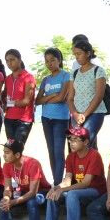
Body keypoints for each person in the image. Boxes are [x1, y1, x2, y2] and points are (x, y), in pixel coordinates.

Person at [42, 125, 106, 220]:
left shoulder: (94, 155)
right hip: (79, 191)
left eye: (76, 140)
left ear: (86, 142)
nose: (71, 143)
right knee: (52, 196)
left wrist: (63, 190)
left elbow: (86, 183)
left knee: (72, 194)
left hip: (96, 191)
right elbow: (67, 180)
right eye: (70, 139)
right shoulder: (71, 156)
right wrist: (56, 188)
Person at [0, 139, 50, 220]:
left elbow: (33, 192)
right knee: (4, 202)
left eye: (7, 153)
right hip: (23, 191)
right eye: (4, 152)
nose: (4, 155)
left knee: (31, 202)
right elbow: (7, 188)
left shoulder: (33, 164)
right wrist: (7, 198)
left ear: (17, 155)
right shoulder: (7, 165)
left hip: (41, 192)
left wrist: (13, 202)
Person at [36, 47, 74, 185]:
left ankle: (58, 183)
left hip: (61, 119)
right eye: (47, 61)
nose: (49, 63)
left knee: (59, 151)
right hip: (46, 118)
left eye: (52, 60)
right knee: (51, 151)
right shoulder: (45, 79)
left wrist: (47, 98)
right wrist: (52, 96)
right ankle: (55, 181)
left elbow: (62, 97)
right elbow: (37, 101)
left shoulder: (66, 76)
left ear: (59, 60)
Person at [68, 37, 109, 149]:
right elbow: (70, 98)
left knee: (84, 143)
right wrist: (75, 114)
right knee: (77, 146)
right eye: (75, 54)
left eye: (79, 53)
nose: (77, 57)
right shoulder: (74, 73)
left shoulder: (98, 71)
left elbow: (99, 96)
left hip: (95, 113)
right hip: (76, 115)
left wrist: (84, 115)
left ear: (88, 53)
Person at [1, 49, 36, 146]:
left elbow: (26, 101)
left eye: (12, 59)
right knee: (10, 148)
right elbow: (4, 96)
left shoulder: (28, 77)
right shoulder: (7, 78)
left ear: (20, 60)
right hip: (8, 118)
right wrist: (4, 103)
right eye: (7, 61)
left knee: (17, 149)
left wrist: (10, 103)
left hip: (23, 120)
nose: (9, 63)